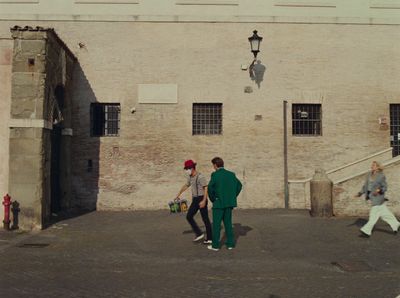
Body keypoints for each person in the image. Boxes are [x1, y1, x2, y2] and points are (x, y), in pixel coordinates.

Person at [355, 161, 400, 238]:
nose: (372, 166)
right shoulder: (369, 174)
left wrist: (378, 190)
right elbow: (365, 186)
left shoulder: (381, 176)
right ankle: (396, 224)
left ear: (378, 167)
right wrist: (360, 193)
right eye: (372, 165)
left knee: (373, 215)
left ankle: (366, 231)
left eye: (374, 165)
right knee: (384, 213)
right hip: (371, 196)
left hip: (378, 197)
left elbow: (384, 187)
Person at [207, 157, 242, 251]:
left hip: (218, 203)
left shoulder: (215, 175)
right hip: (229, 203)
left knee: (216, 225)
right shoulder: (231, 174)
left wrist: (213, 199)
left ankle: (215, 245)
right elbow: (239, 185)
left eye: (213, 165)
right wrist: (232, 196)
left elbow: (210, 188)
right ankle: (230, 244)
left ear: (215, 165)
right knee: (228, 224)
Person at [175, 159, 212, 244]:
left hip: (202, 198)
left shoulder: (200, 176)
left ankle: (210, 238)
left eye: (187, 168)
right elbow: (187, 185)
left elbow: (205, 188)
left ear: (192, 168)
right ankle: (199, 233)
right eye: (186, 169)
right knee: (189, 216)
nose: (186, 170)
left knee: (205, 219)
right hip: (195, 199)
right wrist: (178, 194)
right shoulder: (190, 177)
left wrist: (203, 200)